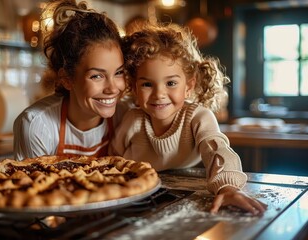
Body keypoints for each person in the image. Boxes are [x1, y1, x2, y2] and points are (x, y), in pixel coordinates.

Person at [109, 23, 267, 215]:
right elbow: (112, 161)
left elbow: (218, 151)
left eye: (171, 83)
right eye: (147, 84)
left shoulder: (198, 117)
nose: (159, 94)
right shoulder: (132, 120)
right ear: (133, 88)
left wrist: (228, 188)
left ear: (189, 85)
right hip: (134, 197)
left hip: (176, 197)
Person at [14, 0, 130, 160]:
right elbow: (36, 183)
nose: (112, 88)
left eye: (118, 72)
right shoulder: (37, 125)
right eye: (97, 76)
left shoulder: (126, 116)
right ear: (67, 79)